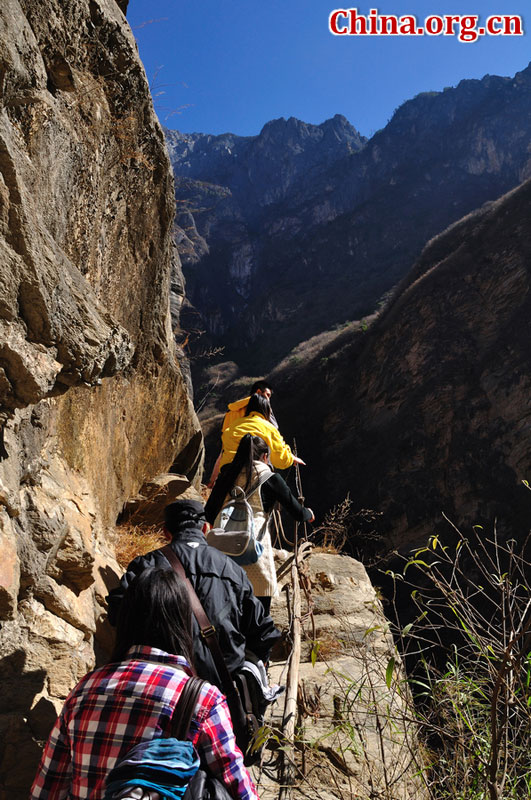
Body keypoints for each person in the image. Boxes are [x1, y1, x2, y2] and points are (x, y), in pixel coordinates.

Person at [31, 568, 259, 800]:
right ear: (182, 623)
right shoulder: (203, 699)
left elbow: (46, 789)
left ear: (126, 621)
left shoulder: (84, 690)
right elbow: (238, 787)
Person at [107, 499, 280, 690]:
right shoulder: (233, 570)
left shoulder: (147, 564)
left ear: (166, 532)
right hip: (221, 684)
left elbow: (117, 611)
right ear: (206, 528)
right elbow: (263, 631)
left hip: (161, 681)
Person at [206, 435, 314, 615]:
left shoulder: (226, 474)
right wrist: (308, 513)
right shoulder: (271, 478)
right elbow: (297, 512)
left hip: (222, 552)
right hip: (255, 551)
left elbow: (209, 512)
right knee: (258, 612)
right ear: (265, 456)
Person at [208, 380, 277, 487]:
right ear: (258, 392)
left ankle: (211, 483)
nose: (268, 399)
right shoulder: (262, 409)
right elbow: (274, 430)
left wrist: (214, 478)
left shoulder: (232, 410)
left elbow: (224, 446)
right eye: (267, 395)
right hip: (256, 461)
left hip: (230, 464)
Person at [219, 394, 305, 472]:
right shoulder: (268, 428)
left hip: (227, 473)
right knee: (283, 489)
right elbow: (280, 460)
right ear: (266, 410)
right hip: (253, 472)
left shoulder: (234, 425)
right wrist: (290, 458)